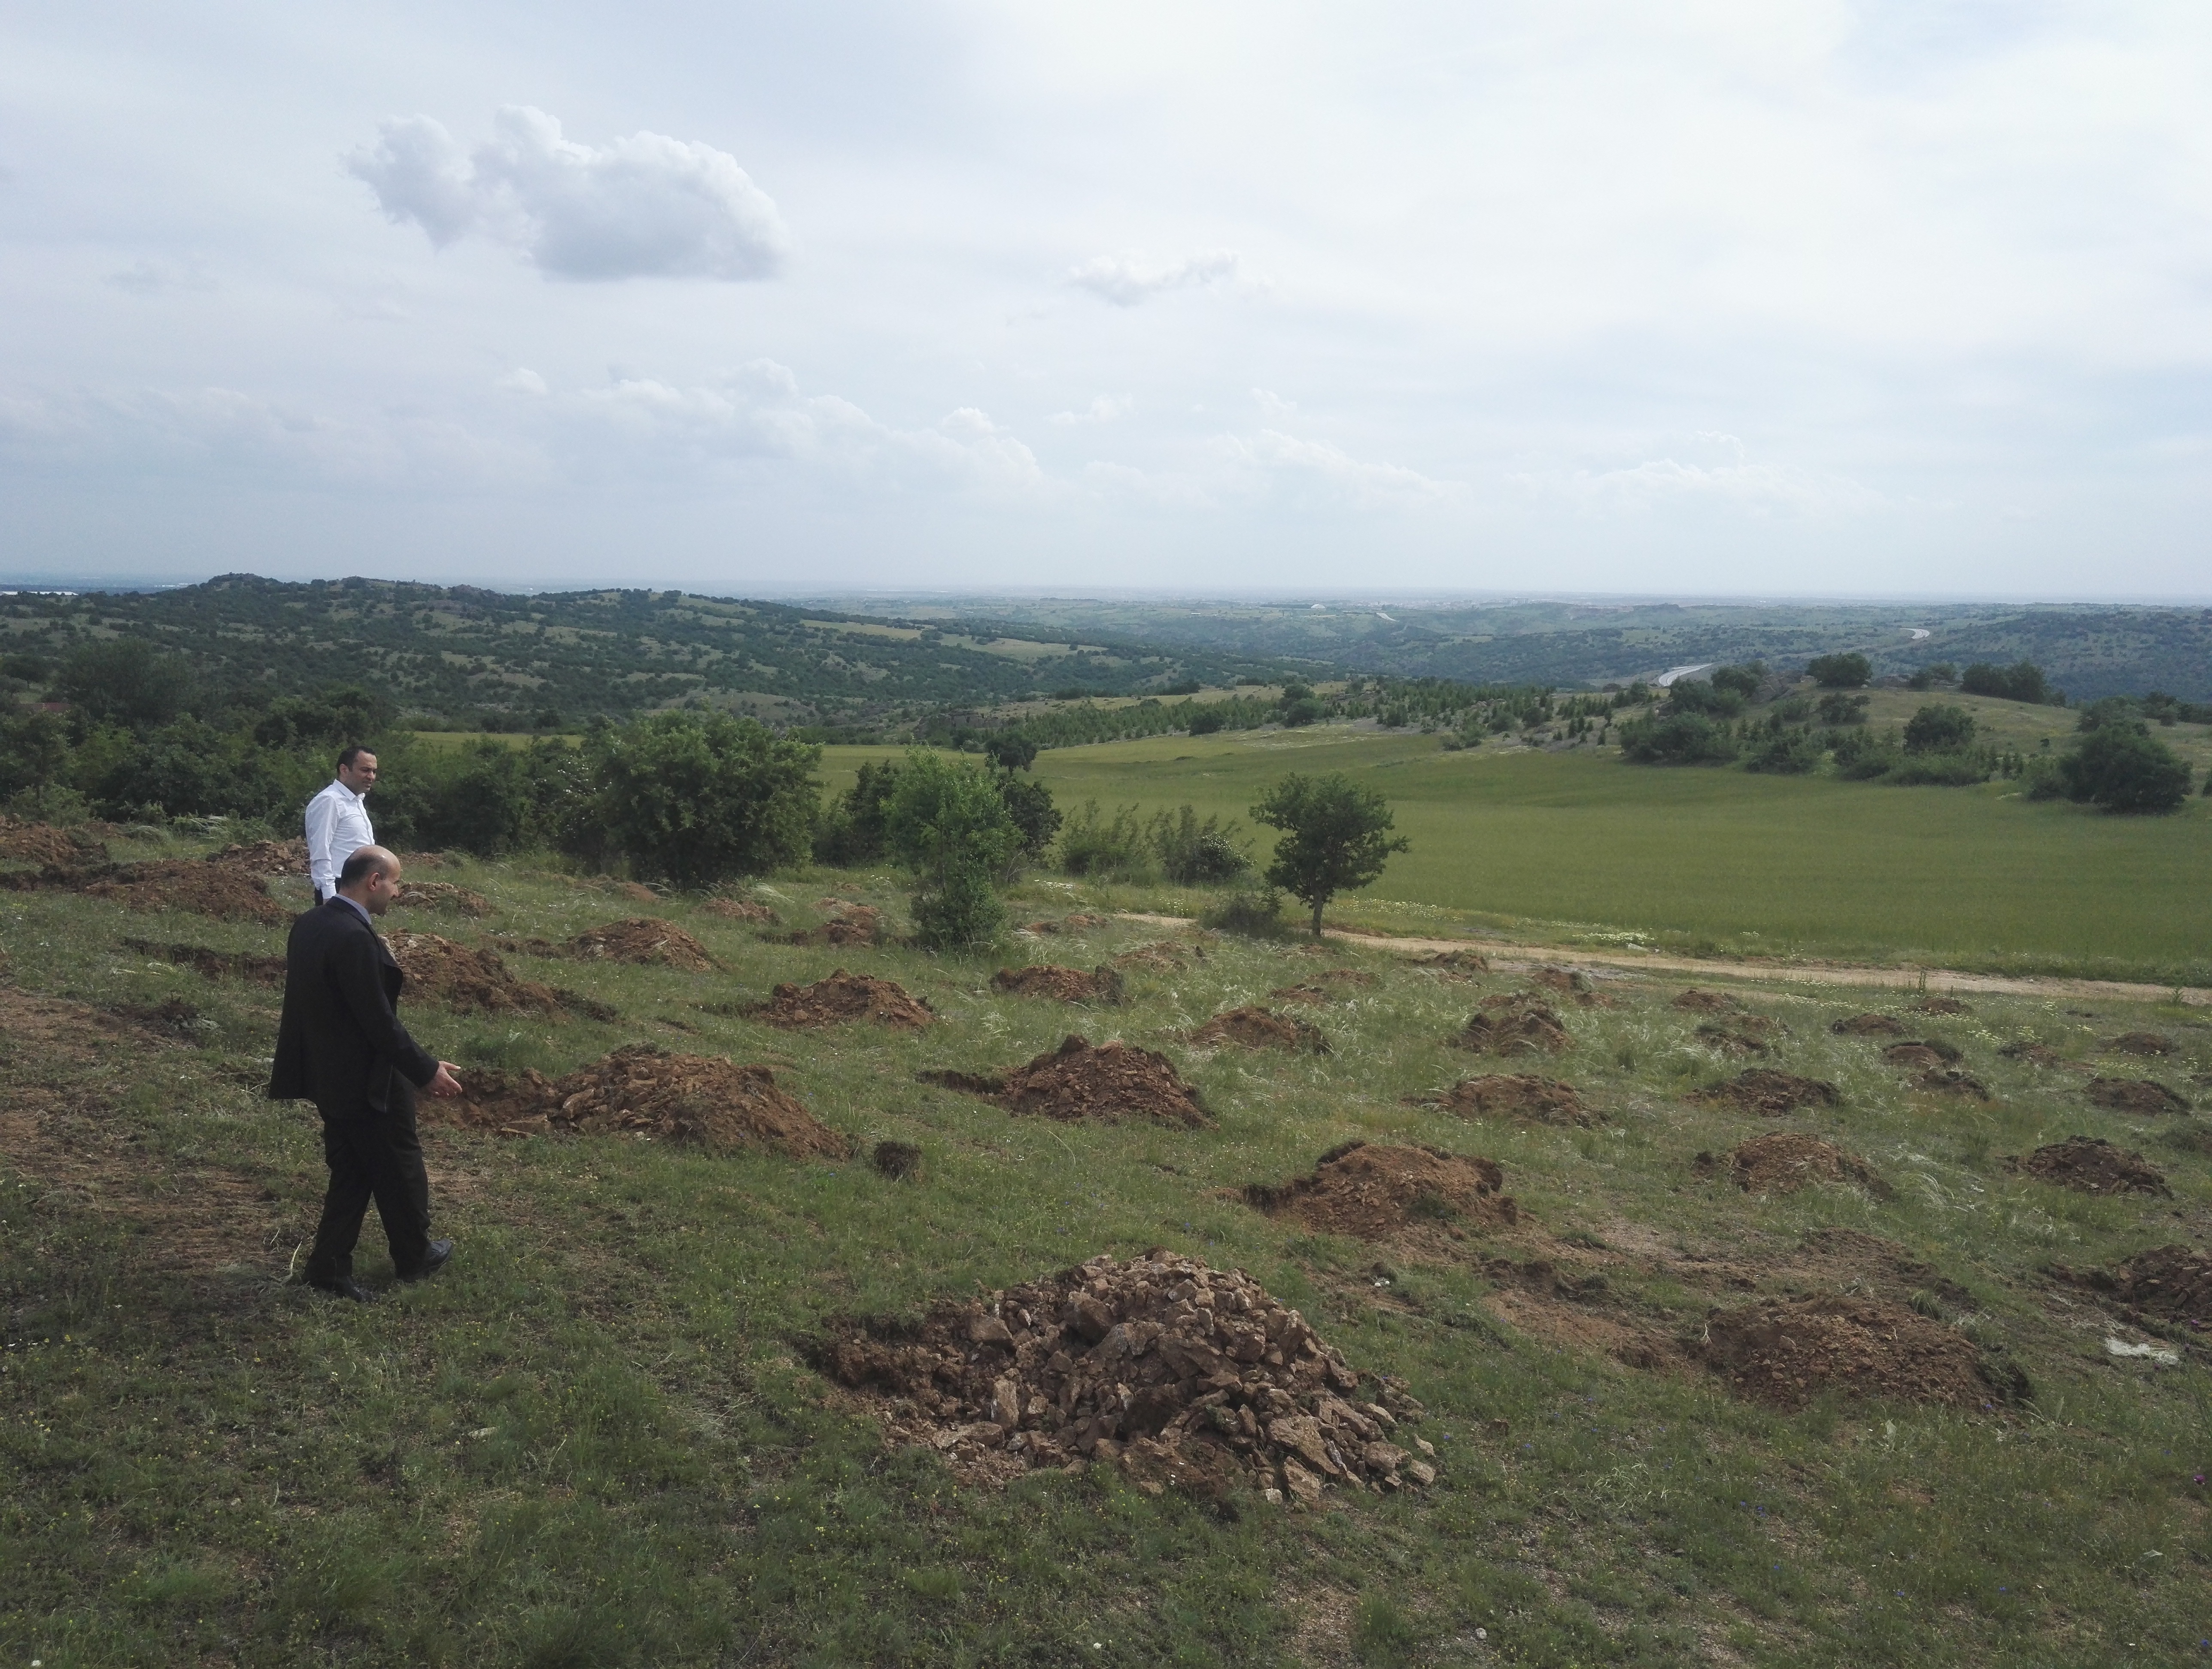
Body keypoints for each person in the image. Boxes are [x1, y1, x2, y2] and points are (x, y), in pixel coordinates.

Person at [268, 844, 462, 1301]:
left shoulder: (311, 922)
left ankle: (328, 1268)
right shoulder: (354, 938)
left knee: (353, 1171)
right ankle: (415, 1256)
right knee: (401, 1163)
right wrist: (425, 1070)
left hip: (326, 1074)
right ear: (373, 881)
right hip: (365, 1078)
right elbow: (376, 1021)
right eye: (395, 882)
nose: (397, 892)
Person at [304, 746, 378, 904]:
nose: (371, 776)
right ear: (344, 770)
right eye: (365, 770)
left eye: (374, 771)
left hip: (357, 887)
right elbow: (320, 851)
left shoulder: (356, 802)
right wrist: (329, 895)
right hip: (338, 888)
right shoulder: (330, 801)